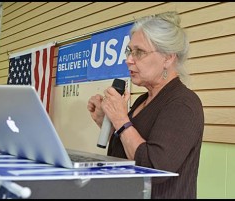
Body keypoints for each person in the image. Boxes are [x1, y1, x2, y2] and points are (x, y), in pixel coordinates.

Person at [87, 11, 204, 199]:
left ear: (168, 57)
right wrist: (108, 125)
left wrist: (121, 119)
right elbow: (129, 152)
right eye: (129, 51)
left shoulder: (184, 104)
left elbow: (153, 167)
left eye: (139, 52)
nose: (128, 59)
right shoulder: (143, 100)